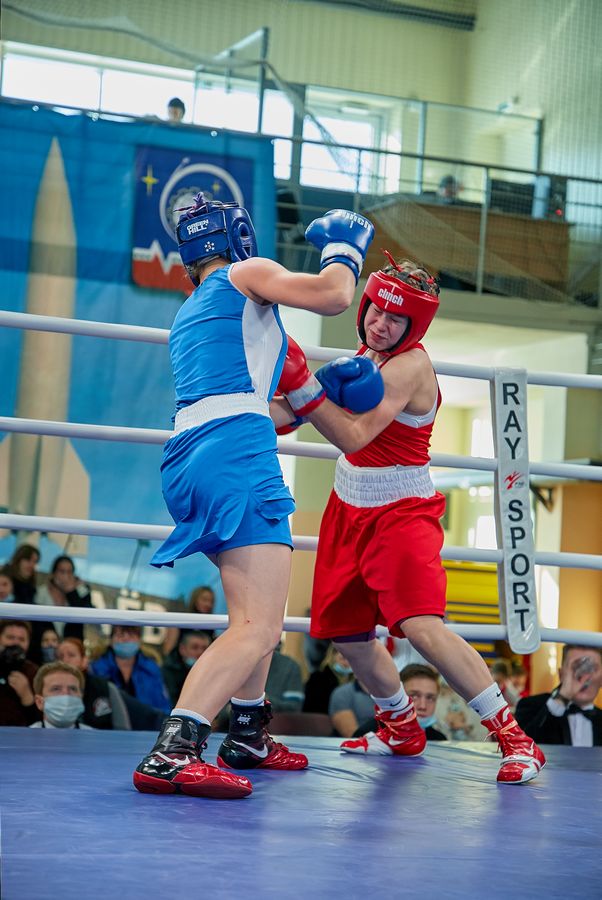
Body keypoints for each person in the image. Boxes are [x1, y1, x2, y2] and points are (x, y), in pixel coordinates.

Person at [133, 193, 376, 799]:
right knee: (259, 626)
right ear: (237, 238)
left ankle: (246, 733)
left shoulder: (192, 313)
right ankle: (174, 750)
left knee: (255, 613)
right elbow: (335, 295)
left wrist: (318, 390)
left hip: (195, 455)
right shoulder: (245, 275)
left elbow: (262, 411)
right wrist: (345, 247)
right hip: (235, 455)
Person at [275, 253, 546, 784]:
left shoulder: (408, 366)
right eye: (376, 311)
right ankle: (399, 725)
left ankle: (515, 739)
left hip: (400, 510)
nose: (380, 324)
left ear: (413, 326)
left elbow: (353, 435)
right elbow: (296, 414)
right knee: (348, 633)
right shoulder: (366, 356)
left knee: (422, 627)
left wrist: (305, 386)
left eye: (394, 319)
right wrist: (235, 416)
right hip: (347, 504)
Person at [58, 637, 167, 731]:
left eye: (71, 655)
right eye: (60, 656)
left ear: (84, 660)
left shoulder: (103, 687)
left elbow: (147, 715)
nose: (65, 660)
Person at [515, 645, 602, 746]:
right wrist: (562, 698)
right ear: (561, 674)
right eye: (576, 667)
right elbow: (521, 748)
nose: (584, 677)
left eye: (592, 668)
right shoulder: (530, 706)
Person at [90, 625, 171, 714]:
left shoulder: (152, 669)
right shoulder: (96, 669)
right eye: (120, 635)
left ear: (139, 640)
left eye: (131, 635)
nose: (126, 639)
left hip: (147, 721)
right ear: (111, 641)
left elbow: (163, 706)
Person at [34, 554, 94, 643]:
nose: (66, 576)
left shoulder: (80, 592)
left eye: (69, 572)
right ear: (53, 573)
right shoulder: (41, 593)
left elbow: (86, 615)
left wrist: (72, 593)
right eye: (62, 571)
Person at [0, 619, 40, 726]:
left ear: (28, 643)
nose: (16, 643)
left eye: (21, 639)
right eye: (10, 637)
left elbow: (41, 721)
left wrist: (27, 697)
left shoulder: (35, 672)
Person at [30, 661, 92, 729]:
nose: (66, 694)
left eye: (73, 689)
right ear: (39, 702)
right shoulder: (25, 735)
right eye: (56, 689)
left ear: (81, 698)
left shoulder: (94, 735)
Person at [162, 584, 216, 656]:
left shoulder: (212, 625)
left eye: (211, 601)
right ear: (195, 599)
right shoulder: (181, 620)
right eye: (204, 600)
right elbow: (168, 649)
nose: (208, 604)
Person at [162, 630, 213, 706]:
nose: (200, 652)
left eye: (204, 648)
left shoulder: (213, 671)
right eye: (195, 647)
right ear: (182, 649)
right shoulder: (167, 672)